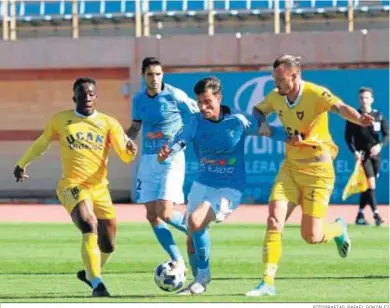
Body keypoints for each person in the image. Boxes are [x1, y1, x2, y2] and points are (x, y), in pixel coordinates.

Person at [245, 55, 375, 297]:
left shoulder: (315, 93)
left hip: (318, 173)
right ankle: (267, 282)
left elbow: (339, 107)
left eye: (280, 79)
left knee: (312, 236)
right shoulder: (276, 97)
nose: (276, 84)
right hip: (291, 169)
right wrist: (261, 121)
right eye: (274, 79)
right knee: (274, 221)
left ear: (294, 76)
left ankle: (337, 229)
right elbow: (257, 109)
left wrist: (358, 119)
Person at [158, 76, 292, 295]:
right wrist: (167, 152)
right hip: (202, 183)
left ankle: (203, 277)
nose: (203, 107)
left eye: (207, 101)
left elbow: (268, 131)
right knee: (192, 234)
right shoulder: (195, 121)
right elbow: (181, 139)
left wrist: (294, 137)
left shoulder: (238, 121)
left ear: (219, 97)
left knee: (195, 220)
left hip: (229, 187)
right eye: (199, 102)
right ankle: (197, 280)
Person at [13, 77, 137, 297]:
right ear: (74, 96)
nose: (87, 97)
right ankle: (97, 283)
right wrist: (22, 163)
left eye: (91, 93)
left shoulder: (109, 123)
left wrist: (130, 149)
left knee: (108, 245)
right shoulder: (61, 120)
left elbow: (125, 156)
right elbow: (42, 143)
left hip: (100, 188)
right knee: (89, 224)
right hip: (72, 185)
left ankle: (89, 272)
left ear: (96, 97)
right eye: (82, 93)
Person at [126, 57, 199, 276]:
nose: (155, 79)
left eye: (158, 74)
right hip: (149, 159)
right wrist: (126, 139)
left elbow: (195, 117)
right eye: (150, 74)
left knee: (165, 212)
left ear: (162, 75)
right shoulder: (138, 99)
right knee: (151, 215)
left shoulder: (175, 96)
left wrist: (179, 143)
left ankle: (197, 231)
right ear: (143, 76)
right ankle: (178, 260)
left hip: (171, 159)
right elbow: (135, 126)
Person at [345, 87, 388, 226]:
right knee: (371, 183)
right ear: (359, 99)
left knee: (368, 186)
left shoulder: (378, 115)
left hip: (375, 155)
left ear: (372, 99)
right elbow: (347, 137)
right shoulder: (354, 116)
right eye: (362, 98)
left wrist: (380, 146)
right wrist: (355, 152)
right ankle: (376, 214)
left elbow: (387, 134)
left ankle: (360, 214)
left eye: (367, 98)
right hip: (363, 156)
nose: (364, 100)